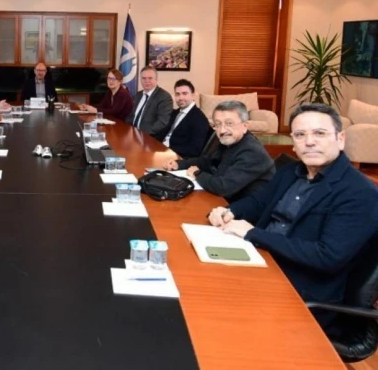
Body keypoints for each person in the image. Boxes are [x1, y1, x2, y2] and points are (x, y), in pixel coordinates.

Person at [208, 103, 378, 336]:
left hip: (301, 291)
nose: (309, 142)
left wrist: (254, 234)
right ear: (293, 143)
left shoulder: (360, 193)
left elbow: (327, 257)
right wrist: (229, 210)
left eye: (319, 133)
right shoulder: (291, 171)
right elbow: (259, 202)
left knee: (214, 315)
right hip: (262, 261)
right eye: (300, 135)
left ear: (340, 139)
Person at [162, 100, 274, 203]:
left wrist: (197, 174)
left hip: (244, 210)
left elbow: (223, 188)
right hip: (223, 201)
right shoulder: (230, 141)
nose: (222, 130)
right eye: (218, 124)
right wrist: (179, 164)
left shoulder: (252, 152)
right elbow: (208, 162)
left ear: (245, 126)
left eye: (229, 123)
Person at [153, 79, 212, 158]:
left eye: (185, 93)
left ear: (193, 95)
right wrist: (151, 142)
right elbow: (163, 133)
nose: (180, 98)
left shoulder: (200, 119)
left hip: (176, 157)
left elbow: (194, 150)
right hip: (160, 150)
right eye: (177, 94)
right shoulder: (175, 112)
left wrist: (167, 151)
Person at [125, 66, 173, 136]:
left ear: (156, 80)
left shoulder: (164, 97)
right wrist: (127, 130)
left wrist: (141, 134)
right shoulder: (138, 95)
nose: (146, 81)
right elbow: (131, 116)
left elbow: (162, 122)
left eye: (150, 78)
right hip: (132, 134)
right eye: (144, 78)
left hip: (149, 137)